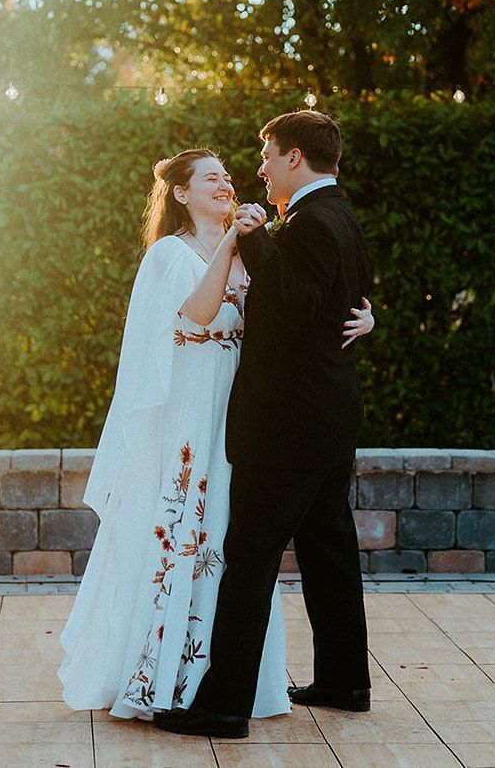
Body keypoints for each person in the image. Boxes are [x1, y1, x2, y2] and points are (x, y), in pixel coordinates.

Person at [57, 148, 373, 720]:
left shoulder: (257, 249)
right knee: (183, 525)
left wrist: (364, 318)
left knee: (229, 536)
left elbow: (293, 311)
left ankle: (224, 678)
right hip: (188, 407)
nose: (227, 184)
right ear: (181, 193)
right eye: (212, 178)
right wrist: (233, 245)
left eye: (228, 176)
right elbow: (199, 314)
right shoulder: (169, 255)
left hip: (240, 404)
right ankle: (163, 673)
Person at [156, 110, 376, 740]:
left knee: (249, 556)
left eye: (268, 156)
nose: (260, 169)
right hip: (328, 420)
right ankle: (343, 680)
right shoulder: (340, 216)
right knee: (328, 549)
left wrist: (254, 242)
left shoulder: (307, 224)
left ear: (295, 158)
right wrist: (368, 317)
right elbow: (345, 299)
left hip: (288, 426)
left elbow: (295, 310)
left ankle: (222, 706)